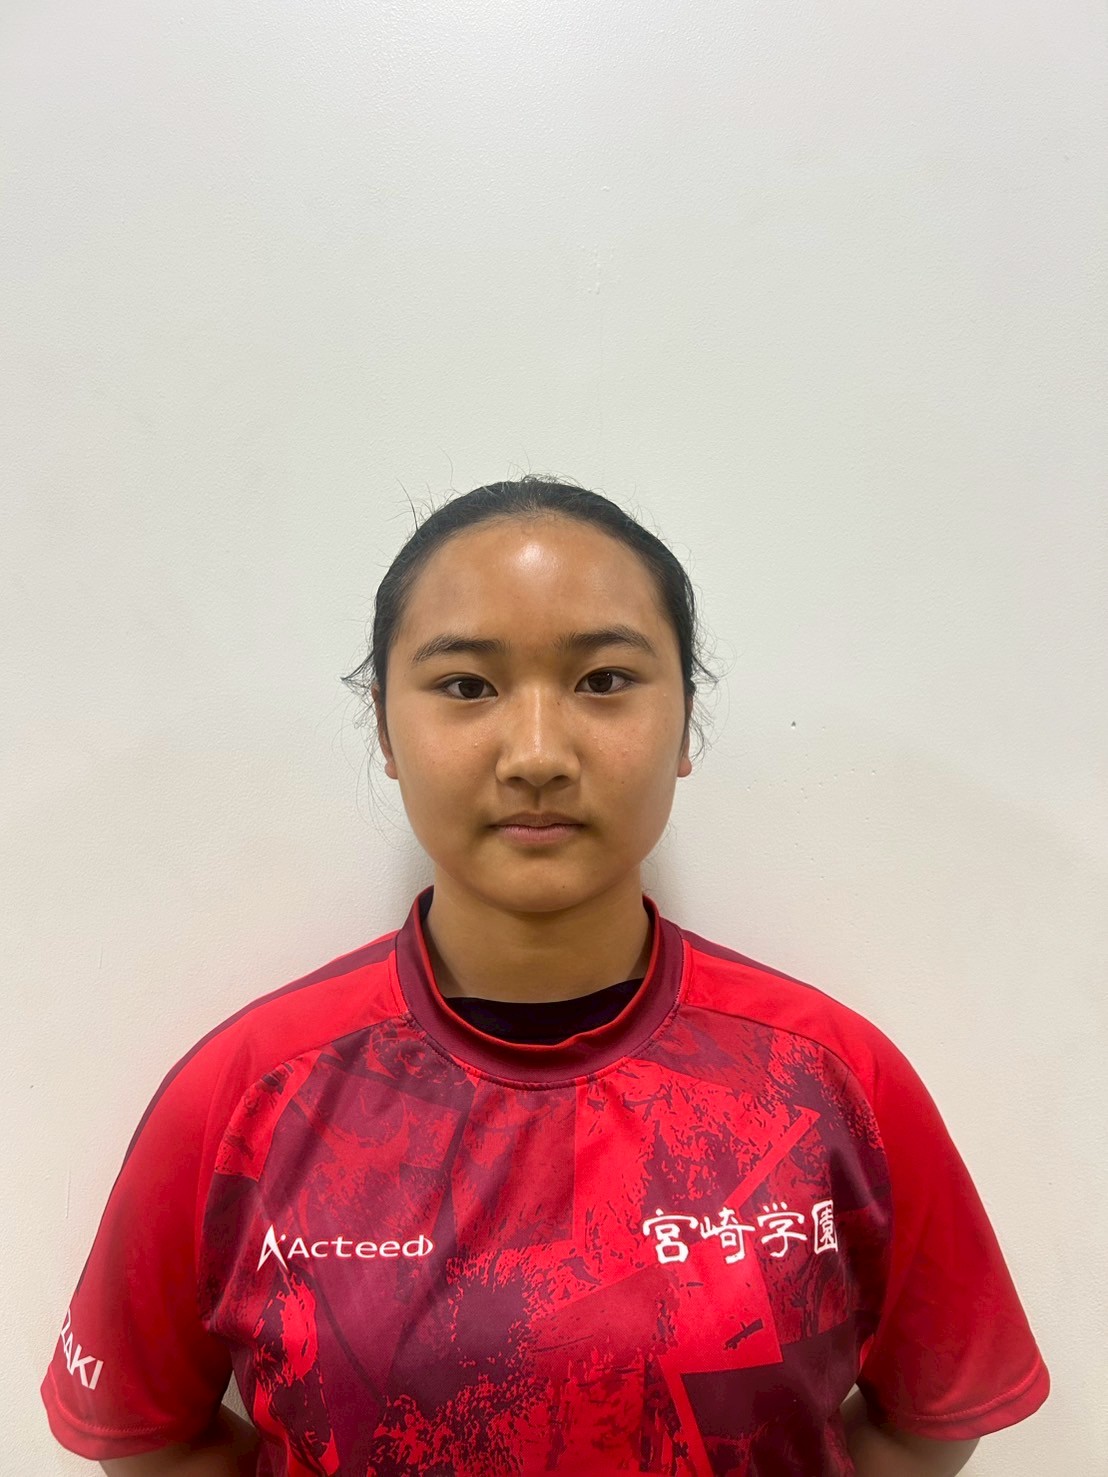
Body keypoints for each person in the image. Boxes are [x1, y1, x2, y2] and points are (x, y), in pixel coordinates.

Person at [41, 476, 1050, 1476]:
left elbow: (928, 1418)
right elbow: (151, 1435)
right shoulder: (246, 1095)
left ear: (686, 723)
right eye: (466, 686)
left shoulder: (830, 1079)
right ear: (385, 730)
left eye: (603, 680)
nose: (536, 754)